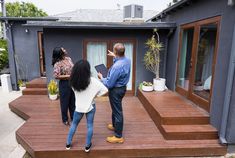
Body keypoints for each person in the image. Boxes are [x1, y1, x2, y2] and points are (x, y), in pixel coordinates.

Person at [66, 60, 108, 152]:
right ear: (87, 70)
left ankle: (68, 144)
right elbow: (105, 90)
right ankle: (87, 146)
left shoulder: (73, 81)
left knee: (74, 124)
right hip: (91, 107)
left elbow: (75, 91)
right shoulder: (93, 81)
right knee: (90, 126)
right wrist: (95, 96)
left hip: (79, 108)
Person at [98, 43, 131, 144]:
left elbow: (110, 84)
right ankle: (115, 125)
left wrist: (101, 78)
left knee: (117, 112)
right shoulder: (127, 60)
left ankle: (118, 136)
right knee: (115, 108)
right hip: (122, 88)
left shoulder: (117, 67)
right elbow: (121, 59)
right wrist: (115, 56)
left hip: (116, 90)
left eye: (114, 52)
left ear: (117, 52)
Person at [52, 47, 75, 126]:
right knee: (64, 103)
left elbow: (73, 68)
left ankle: (73, 118)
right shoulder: (57, 63)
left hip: (72, 83)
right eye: (63, 50)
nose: (65, 50)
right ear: (60, 53)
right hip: (64, 84)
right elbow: (56, 76)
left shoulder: (69, 59)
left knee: (73, 101)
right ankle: (65, 119)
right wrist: (68, 76)